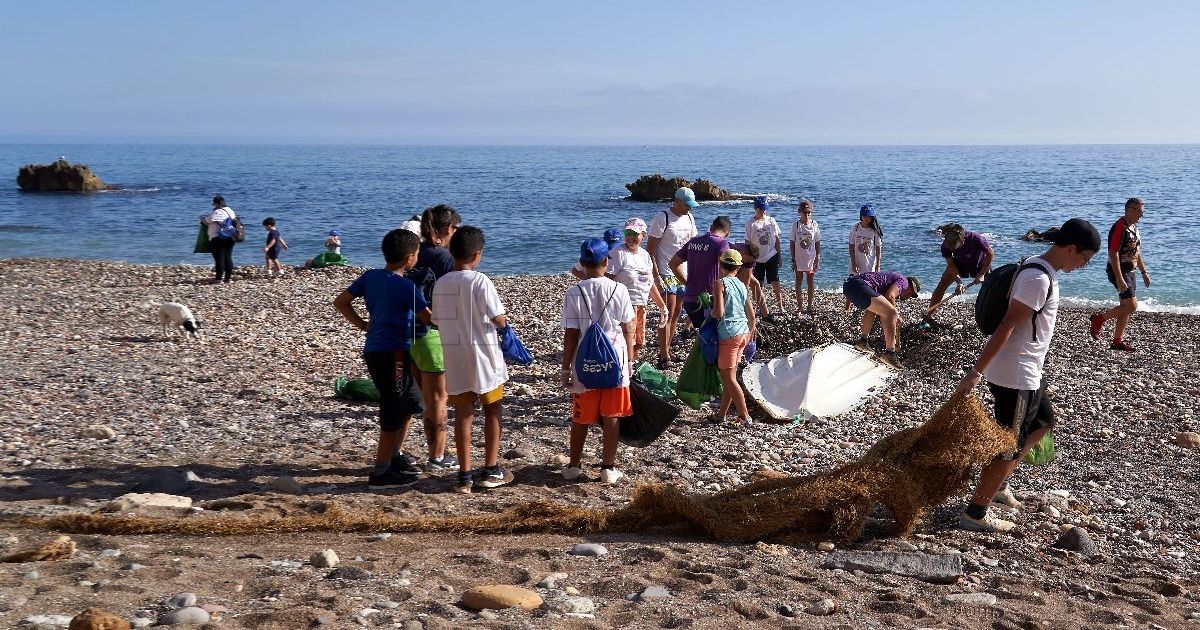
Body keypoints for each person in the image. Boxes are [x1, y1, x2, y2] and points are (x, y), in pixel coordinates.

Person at [954, 218, 1101, 533]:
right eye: (1084, 260)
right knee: (1010, 442)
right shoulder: (1038, 279)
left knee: (1043, 422)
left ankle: (998, 483)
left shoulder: (1039, 267)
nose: (1082, 265)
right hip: (1016, 374)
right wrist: (976, 372)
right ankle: (976, 512)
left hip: (1028, 369)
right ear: (1071, 248)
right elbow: (1007, 326)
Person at [332, 229, 431, 488]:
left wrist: (363, 325)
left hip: (376, 350)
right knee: (393, 406)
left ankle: (394, 454)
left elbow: (342, 301)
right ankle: (381, 471)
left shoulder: (371, 277)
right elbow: (429, 319)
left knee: (412, 401)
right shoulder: (405, 286)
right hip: (393, 353)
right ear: (411, 257)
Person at [432, 225, 512, 494]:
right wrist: (507, 328)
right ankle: (490, 468)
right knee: (492, 409)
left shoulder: (442, 282)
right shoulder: (480, 281)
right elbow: (497, 317)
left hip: (455, 355)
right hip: (484, 354)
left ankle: (464, 475)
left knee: (463, 414)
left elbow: (436, 319)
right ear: (477, 255)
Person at [561, 238, 636, 484]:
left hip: (584, 363)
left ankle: (573, 466)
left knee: (581, 417)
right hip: (615, 361)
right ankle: (607, 468)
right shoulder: (619, 290)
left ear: (582, 263)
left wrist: (565, 369)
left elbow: (570, 335)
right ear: (606, 261)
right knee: (612, 415)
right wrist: (631, 361)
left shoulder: (573, 292)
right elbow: (628, 328)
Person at [402, 204, 462, 473]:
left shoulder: (414, 253)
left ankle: (397, 451)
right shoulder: (445, 259)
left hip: (406, 331)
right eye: (457, 229)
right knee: (438, 398)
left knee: (415, 396)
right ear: (448, 229)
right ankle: (437, 456)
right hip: (432, 333)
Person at [647, 187, 700, 369]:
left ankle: (667, 349)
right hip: (665, 272)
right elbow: (651, 250)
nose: (689, 208)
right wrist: (656, 277)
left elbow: (693, 246)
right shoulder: (663, 218)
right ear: (677, 201)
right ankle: (663, 355)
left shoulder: (690, 218)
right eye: (687, 205)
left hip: (682, 272)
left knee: (677, 312)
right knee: (666, 313)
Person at [1090, 198, 1150, 352]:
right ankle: (1099, 319)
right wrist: (1119, 277)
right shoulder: (1119, 227)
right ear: (1129, 209)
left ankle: (1117, 341)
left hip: (1131, 271)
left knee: (1125, 307)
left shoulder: (1134, 227)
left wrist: (1144, 272)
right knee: (1132, 305)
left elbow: (1137, 252)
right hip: (1119, 271)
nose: (1141, 215)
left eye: (1143, 212)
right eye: (1139, 211)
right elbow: (1113, 253)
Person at [710, 248, 756, 424]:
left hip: (729, 333)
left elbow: (719, 312)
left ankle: (745, 416)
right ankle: (721, 414)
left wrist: (708, 316)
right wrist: (750, 333)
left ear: (721, 265)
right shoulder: (742, 285)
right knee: (731, 376)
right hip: (743, 332)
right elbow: (751, 315)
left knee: (728, 378)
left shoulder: (719, 283)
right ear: (738, 267)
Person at [606, 218, 662, 360]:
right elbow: (606, 282)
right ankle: (622, 374)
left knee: (638, 343)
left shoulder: (645, 255)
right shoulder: (617, 253)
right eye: (628, 232)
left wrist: (662, 306)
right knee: (624, 344)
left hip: (641, 306)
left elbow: (650, 284)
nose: (630, 237)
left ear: (643, 235)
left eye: (635, 233)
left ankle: (631, 373)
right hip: (623, 307)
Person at [842, 271, 920, 366]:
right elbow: (890, 296)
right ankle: (890, 353)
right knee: (892, 312)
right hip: (859, 285)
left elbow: (884, 309)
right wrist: (896, 316)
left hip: (849, 286)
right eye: (911, 293)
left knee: (873, 310)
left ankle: (862, 341)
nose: (909, 297)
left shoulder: (885, 284)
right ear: (910, 286)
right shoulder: (904, 281)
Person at [671, 215, 732, 330]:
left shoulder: (693, 241)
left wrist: (687, 283)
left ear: (711, 227)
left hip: (690, 299)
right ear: (728, 232)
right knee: (715, 338)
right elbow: (725, 268)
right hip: (708, 300)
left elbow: (673, 264)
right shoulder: (721, 243)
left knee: (704, 336)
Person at [928, 224, 993, 313]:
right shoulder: (945, 246)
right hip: (960, 264)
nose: (949, 247)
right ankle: (928, 314)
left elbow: (990, 254)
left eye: (952, 246)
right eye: (947, 244)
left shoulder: (976, 238)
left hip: (980, 265)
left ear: (962, 241)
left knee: (990, 290)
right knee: (941, 285)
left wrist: (981, 274)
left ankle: (991, 315)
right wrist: (959, 283)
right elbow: (951, 264)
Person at [745, 196, 784, 319]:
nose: (763, 212)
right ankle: (760, 307)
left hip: (771, 255)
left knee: (775, 281)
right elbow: (747, 242)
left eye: (765, 209)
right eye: (761, 209)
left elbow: (777, 239)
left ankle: (780, 305)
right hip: (757, 258)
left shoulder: (771, 221)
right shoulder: (750, 223)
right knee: (758, 283)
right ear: (755, 209)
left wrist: (780, 255)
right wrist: (748, 259)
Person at [789, 199, 821, 316]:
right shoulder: (795, 225)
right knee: (798, 281)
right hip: (798, 258)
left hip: (810, 258)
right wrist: (793, 259)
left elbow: (817, 242)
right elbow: (792, 243)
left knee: (810, 281)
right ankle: (799, 306)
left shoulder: (814, 224)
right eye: (804, 212)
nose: (806, 214)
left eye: (808, 212)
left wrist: (818, 256)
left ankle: (809, 306)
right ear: (799, 212)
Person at [201, 195, 237, 284]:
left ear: (217, 203)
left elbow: (206, 221)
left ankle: (218, 279)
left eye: (214, 204)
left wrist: (201, 218)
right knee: (228, 258)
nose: (214, 206)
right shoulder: (230, 211)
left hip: (217, 239)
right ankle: (228, 279)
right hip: (230, 237)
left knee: (219, 259)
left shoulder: (216, 212)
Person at [849, 204, 883, 276]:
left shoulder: (875, 231)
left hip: (870, 266)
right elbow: (851, 246)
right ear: (861, 216)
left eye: (869, 216)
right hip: (857, 264)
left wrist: (878, 265)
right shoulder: (855, 228)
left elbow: (878, 248)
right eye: (864, 215)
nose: (866, 218)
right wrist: (853, 263)